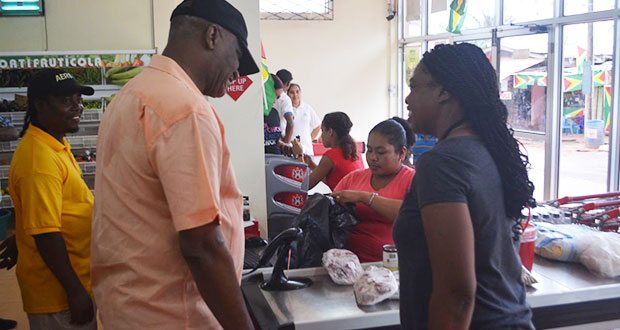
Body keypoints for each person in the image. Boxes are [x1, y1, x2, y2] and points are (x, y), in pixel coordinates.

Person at [90, 1, 259, 329]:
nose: (238, 71)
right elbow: (202, 246)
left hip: (127, 308)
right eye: (238, 54)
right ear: (212, 36)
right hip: (173, 315)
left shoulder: (132, 94)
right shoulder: (185, 109)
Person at [394, 43, 535, 329]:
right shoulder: (488, 151)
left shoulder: (442, 164)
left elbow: (457, 294)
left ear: (444, 92)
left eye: (415, 86)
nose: (408, 99)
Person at [9, 69, 96, 329]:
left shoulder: (52, 145)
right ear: (40, 105)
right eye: (65, 100)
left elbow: (48, 213)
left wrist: (23, 234)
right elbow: (47, 234)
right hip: (58, 295)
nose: (77, 106)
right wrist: (75, 292)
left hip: (71, 283)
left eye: (77, 99)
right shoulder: (40, 160)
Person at [331, 119, 415, 262]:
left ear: (401, 153)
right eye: (369, 150)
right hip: (347, 265)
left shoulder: (413, 180)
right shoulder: (352, 179)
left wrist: (364, 197)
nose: (372, 158)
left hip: (396, 266)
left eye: (381, 152)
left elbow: (412, 214)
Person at [302, 112, 364, 190]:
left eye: (323, 131)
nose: (321, 136)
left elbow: (304, 186)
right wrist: (311, 165)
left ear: (330, 132)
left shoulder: (330, 156)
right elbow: (334, 181)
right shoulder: (355, 151)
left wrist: (299, 156)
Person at [264, 74, 302, 156]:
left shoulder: (274, 113)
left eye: (278, 98)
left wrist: (287, 147)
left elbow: (274, 140)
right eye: (275, 96)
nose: (275, 101)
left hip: (277, 158)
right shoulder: (253, 115)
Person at [288, 83, 321, 157]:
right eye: (292, 92)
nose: (295, 95)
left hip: (307, 151)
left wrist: (309, 139)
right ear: (287, 94)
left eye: (297, 92)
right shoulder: (286, 109)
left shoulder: (307, 108)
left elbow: (318, 126)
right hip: (291, 152)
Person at [274, 70, 295, 143]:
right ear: (288, 84)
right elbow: (290, 123)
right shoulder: (285, 99)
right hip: (279, 139)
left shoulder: (267, 95)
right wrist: (286, 144)